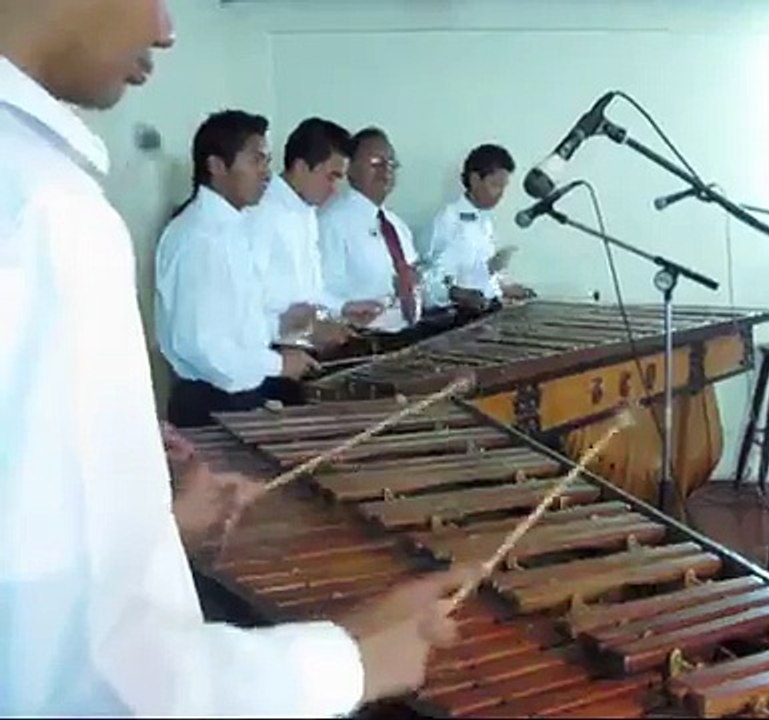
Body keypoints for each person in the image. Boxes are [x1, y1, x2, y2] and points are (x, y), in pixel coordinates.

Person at [0, 1, 472, 715]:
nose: (166, 28)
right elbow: (84, 681)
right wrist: (346, 660)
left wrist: (144, 519)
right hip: (227, 396)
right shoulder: (42, 212)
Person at [155, 110, 323, 427]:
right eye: (256, 160)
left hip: (239, 395)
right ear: (217, 166)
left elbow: (235, 321)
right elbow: (198, 345)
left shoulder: (235, 229)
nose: (267, 173)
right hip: (210, 402)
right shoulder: (198, 237)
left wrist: (281, 326)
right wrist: (277, 364)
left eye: (267, 161)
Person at [244, 117, 381, 348]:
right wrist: (303, 325)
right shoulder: (260, 212)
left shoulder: (307, 211)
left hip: (304, 342)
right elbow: (248, 303)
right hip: (269, 350)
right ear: (300, 167)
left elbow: (310, 291)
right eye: (331, 177)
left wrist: (343, 308)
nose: (334, 189)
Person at [318, 127, 434, 335]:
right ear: (350, 168)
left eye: (391, 164)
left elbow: (414, 282)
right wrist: (348, 310)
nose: (386, 171)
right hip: (359, 342)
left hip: (408, 335)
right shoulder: (332, 222)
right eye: (376, 163)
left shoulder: (397, 226)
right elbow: (319, 295)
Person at [421, 143, 535, 317]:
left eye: (504, 187)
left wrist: (505, 287)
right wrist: (459, 293)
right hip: (456, 318)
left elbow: (483, 273)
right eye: (495, 185)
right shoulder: (448, 219)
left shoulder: (485, 221)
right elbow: (428, 280)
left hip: (486, 312)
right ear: (475, 180)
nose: (500, 194)